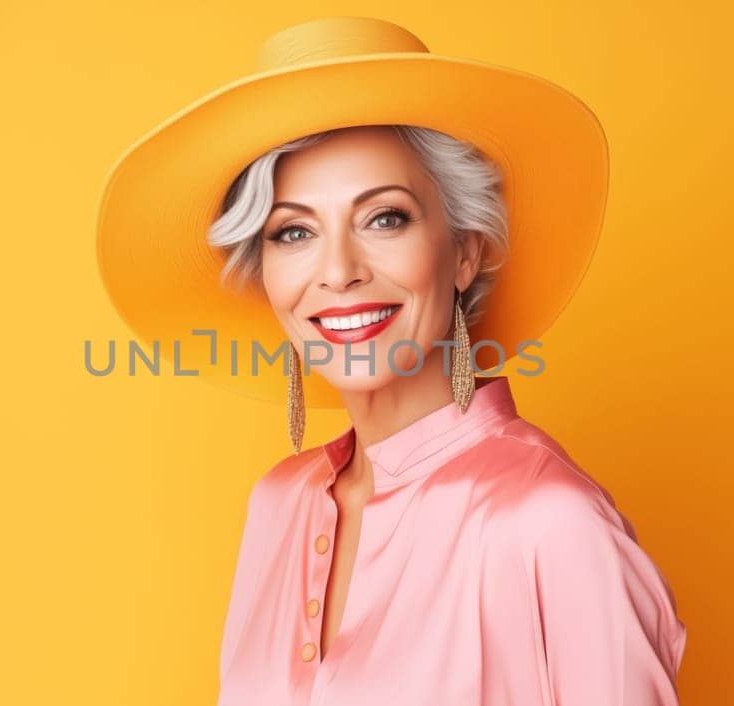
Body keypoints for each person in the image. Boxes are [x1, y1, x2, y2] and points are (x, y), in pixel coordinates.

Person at [97, 16, 686, 706]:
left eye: (385, 217)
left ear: (465, 251)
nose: (339, 271)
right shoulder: (278, 504)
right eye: (293, 231)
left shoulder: (550, 523)